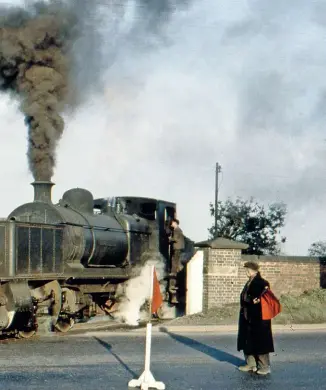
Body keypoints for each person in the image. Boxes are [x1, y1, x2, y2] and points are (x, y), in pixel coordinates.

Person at [237, 261, 274, 375]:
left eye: (248, 270)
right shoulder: (249, 282)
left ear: (255, 271)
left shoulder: (261, 282)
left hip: (258, 317)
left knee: (260, 341)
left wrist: (250, 300)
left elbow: (257, 299)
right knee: (247, 340)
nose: (246, 272)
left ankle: (264, 366)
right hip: (247, 316)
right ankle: (251, 364)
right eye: (246, 270)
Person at [168, 218, 185, 302]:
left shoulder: (176, 230)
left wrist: (169, 239)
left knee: (174, 262)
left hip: (177, 248)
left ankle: (174, 271)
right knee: (176, 261)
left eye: (172, 223)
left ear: (175, 223)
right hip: (179, 248)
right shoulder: (179, 230)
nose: (171, 225)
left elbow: (175, 239)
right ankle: (176, 269)